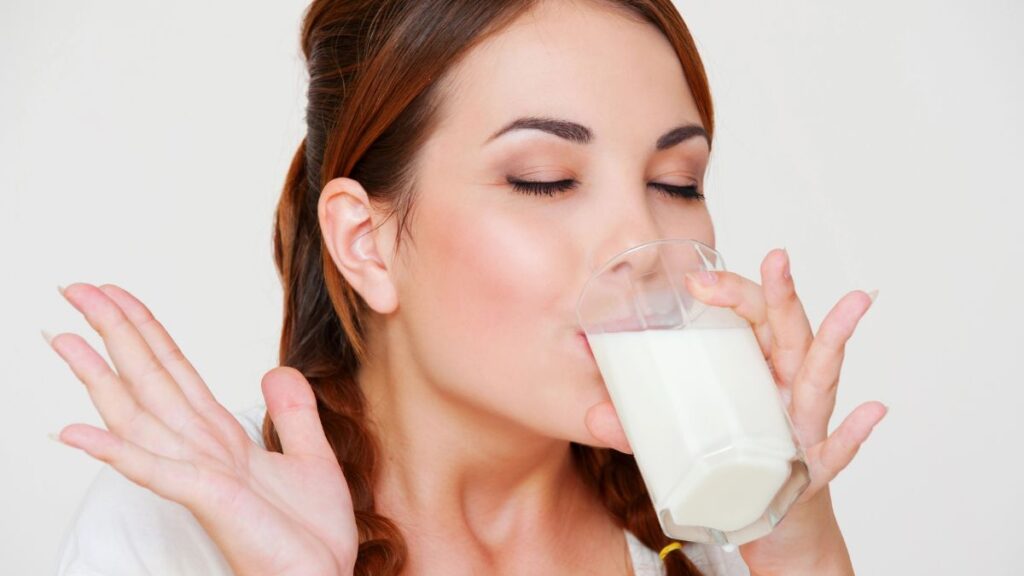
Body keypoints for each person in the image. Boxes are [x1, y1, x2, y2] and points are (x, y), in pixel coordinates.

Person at [49, 0, 887, 574]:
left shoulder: (712, 536)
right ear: (365, 244)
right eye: (545, 179)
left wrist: (799, 544)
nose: (642, 241)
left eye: (676, 182)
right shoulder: (186, 522)